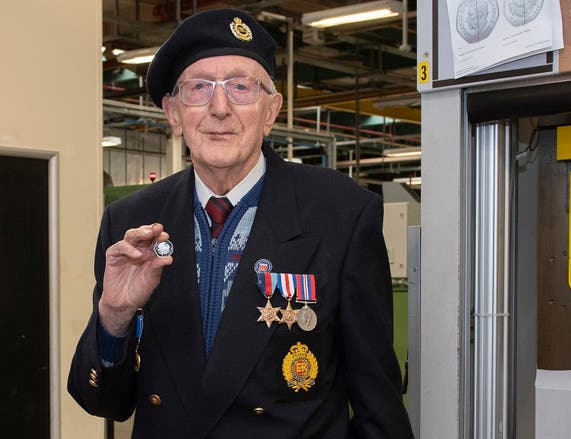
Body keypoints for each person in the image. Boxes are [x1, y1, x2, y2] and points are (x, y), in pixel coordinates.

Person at [68, 8, 413, 439]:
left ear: (271, 110)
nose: (219, 108)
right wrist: (114, 317)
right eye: (199, 88)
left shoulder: (341, 214)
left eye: (240, 87)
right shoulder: (130, 221)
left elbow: (379, 406)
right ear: (173, 113)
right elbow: (103, 402)